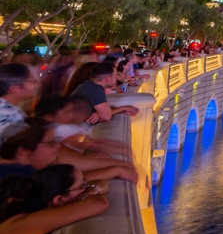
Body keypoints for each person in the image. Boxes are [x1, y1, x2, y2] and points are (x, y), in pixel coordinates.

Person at [0, 122, 137, 184]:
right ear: (24, 151)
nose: (58, 146)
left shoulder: (21, 168)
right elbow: (67, 185)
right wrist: (116, 170)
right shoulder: (19, 177)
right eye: (52, 143)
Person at [69, 62, 138, 125]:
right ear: (107, 79)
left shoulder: (88, 85)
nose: (116, 78)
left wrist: (99, 113)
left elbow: (105, 110)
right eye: (114, 75)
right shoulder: (96, 89)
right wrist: (124, 108)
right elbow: (106, 117)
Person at [0, 64, 38, 138]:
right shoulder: (11, 118)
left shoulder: (8, 108)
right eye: (32, 81)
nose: (36, 85)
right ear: (14, 88)